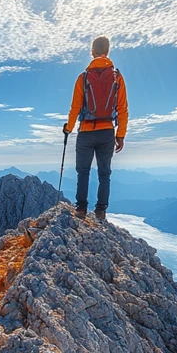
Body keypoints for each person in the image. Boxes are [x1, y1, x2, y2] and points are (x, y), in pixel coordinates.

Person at [63, 35, 128, 222]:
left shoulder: (83, 78)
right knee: (104, 173)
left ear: (92, 52)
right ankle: (101, 211)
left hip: (85, 132)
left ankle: (81, 210)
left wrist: (68, 128)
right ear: (108, 52)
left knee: (83, 172)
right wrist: (120, 134)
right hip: (107, 131)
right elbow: (122, 108)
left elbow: (75, 107)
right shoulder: (117, 77)